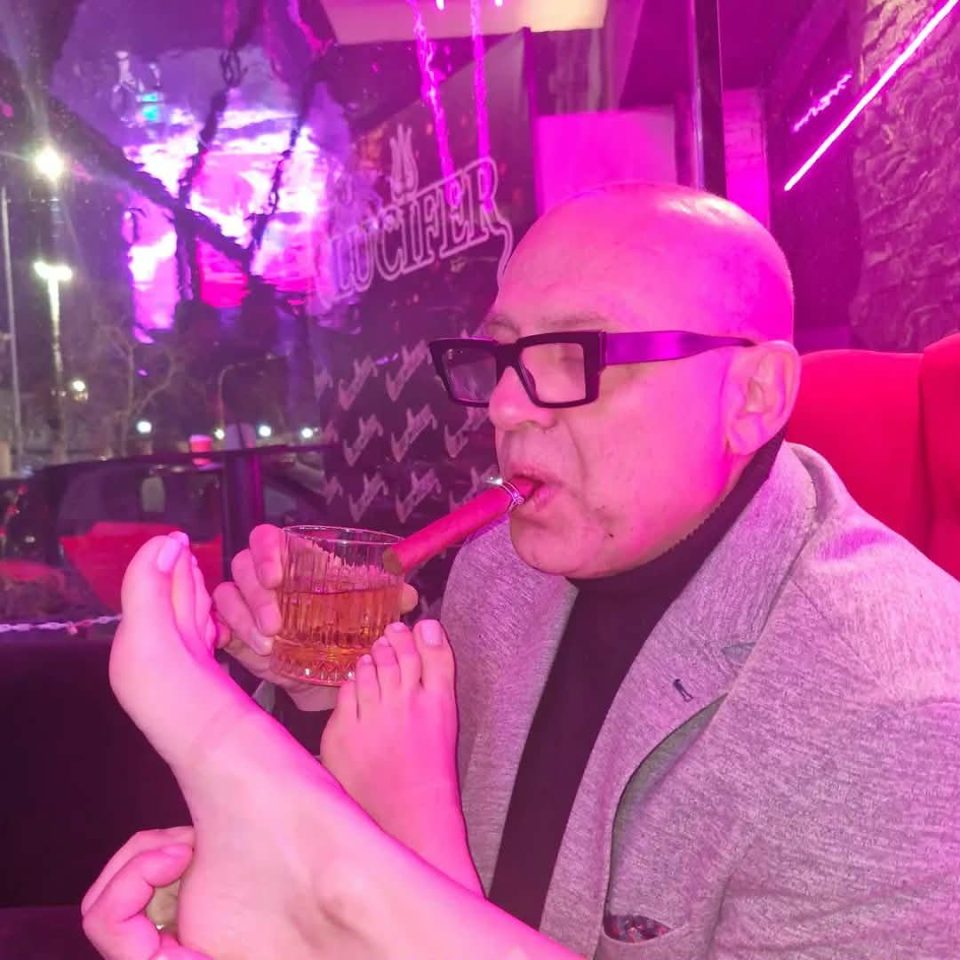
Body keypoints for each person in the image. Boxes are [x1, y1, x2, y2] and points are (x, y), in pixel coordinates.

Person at [84, 183, 960, 958]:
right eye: (505, 356)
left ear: (752, 398)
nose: (505, 407)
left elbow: (424, 831)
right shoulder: (502, 567)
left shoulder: (897, 712)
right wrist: (324, 688)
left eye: (576, 355)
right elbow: (441, 788)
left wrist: (396, 840)